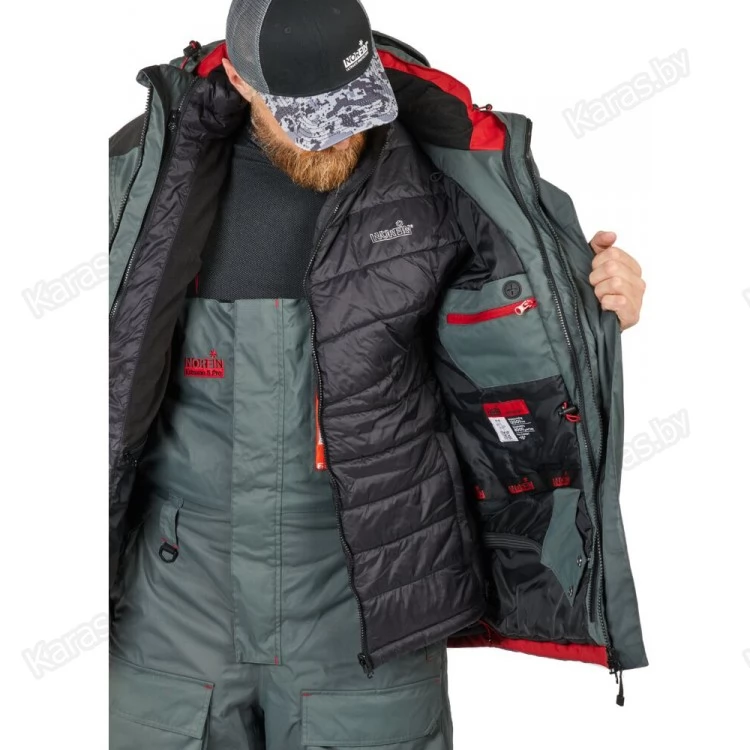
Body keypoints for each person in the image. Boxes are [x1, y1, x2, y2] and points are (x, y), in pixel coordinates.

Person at [108, 0, 647, 747]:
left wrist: (602, 301)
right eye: (308, 115)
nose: (338, 132)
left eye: (351, 103)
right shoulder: (140, 180)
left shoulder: (442, 171)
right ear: (238, 78)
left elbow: (536, 317)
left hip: (377, 598)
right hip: (169, 611)